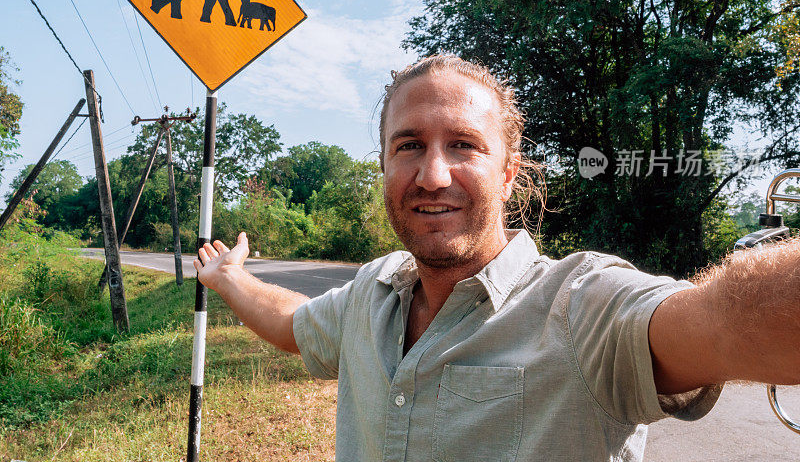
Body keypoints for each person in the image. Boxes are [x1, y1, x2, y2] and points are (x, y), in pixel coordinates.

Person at [195, 54, 800, 461]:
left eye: (464, 145)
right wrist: (229, 278)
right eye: (409, 146)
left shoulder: (583, 306)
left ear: (509, 173)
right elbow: (289, 324)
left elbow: (728, 321)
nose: (432, 175)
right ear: (383, 164)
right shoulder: (371, 291)